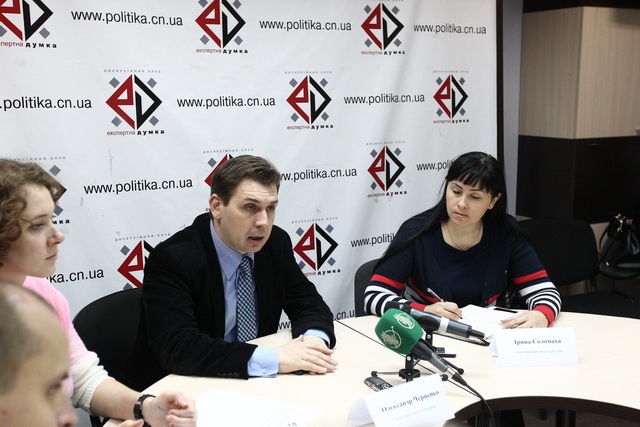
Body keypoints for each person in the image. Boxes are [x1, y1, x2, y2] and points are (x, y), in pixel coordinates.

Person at [0, 159, 197, 426]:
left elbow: (83, 379)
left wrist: (147, 406)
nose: (58, 236)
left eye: (52, 220)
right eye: (37, 225)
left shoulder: (42, 292)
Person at [139, 155, 337, 381]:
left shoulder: (275, 243)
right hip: (186, 384)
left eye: (270, 208)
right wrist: (274, 359)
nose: (263, 222)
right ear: (217, 206)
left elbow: (308, 302)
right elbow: (178, 346)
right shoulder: (174, 258)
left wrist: (313, 343)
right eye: (250, 207)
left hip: (258, 381)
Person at [364, 151, 561, 329]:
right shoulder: (416, 233)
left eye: (475, 197)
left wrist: (541, 315)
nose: (462, 203)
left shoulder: (506, 233)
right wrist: (423, 311)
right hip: (425, 336)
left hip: (487, 336)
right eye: (456, 191)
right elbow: (374, 296)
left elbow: (545, 293)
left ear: (493, 200)